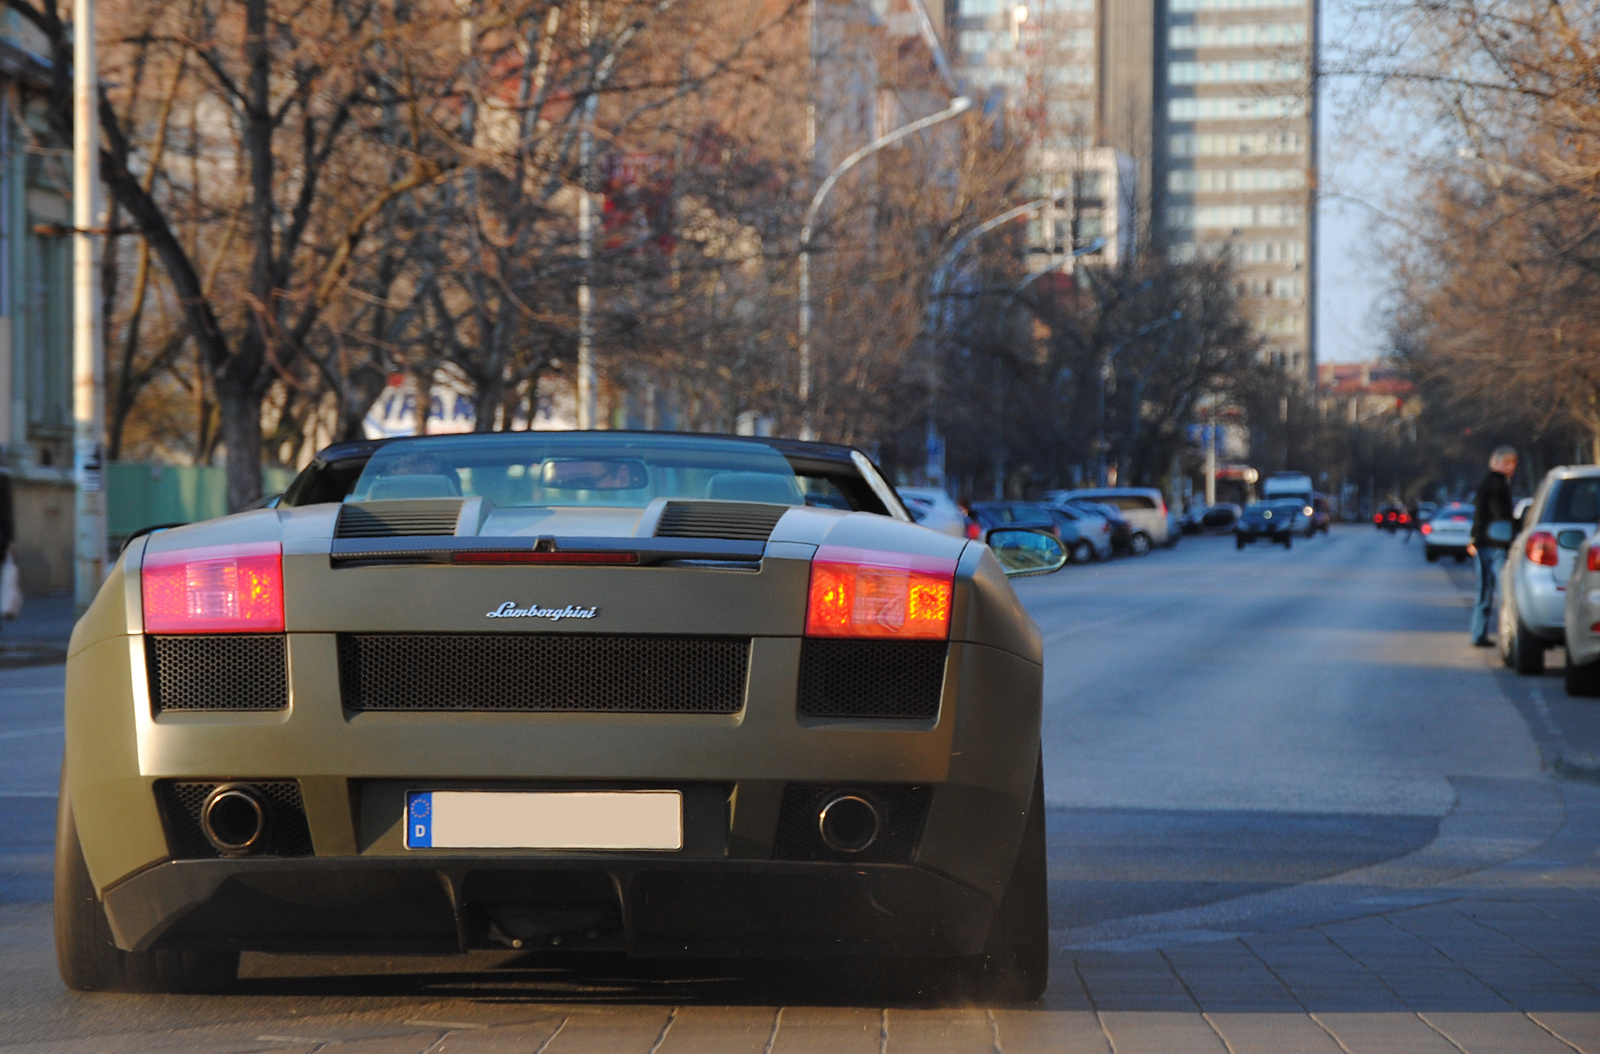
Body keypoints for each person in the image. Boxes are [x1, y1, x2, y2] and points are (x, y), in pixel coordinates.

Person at [1467, 445, 1518, 646]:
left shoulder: (1485, 484)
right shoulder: (1498, 485)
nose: (1512, 467)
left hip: (1482, 542)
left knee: (1484, 590)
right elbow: (1500, 514)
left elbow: (1478, 514)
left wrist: (1473, 538)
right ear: (1498, 463)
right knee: (1507, 589)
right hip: (1495, 543)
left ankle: (1478, 634)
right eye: (1509, 463)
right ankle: (1512, 632)